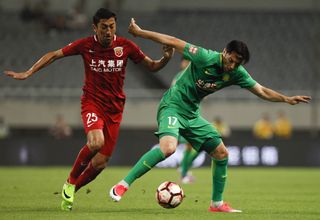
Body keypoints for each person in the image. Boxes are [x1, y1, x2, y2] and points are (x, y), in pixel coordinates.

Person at [109, 18, 311, 213]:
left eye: (237, 63)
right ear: (225, 52)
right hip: (172, 106)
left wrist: (286, 99)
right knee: (169, 148)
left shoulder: (237, 73)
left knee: (221, 153)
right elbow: (172, 40)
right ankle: (123, 184)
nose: (232, 66)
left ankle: (216, 204)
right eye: (231, 60)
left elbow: (262, 91)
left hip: (191, 114)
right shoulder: (204, 56)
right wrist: (139, 32)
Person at [4, 9, 174, 211]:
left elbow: (152, 67)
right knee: (96, 142)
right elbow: (54, 55)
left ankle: (71, 190)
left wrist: (165, 58)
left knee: (101, 163)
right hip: (92, 102)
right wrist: (28, 72)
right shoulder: (86, 45)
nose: (108, 31)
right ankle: (70, 180)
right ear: (95, 28)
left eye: (112, 26)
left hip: (115, 109)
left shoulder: (126, 46)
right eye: (104, 27)